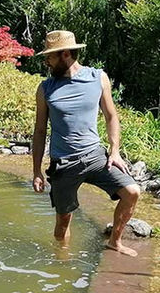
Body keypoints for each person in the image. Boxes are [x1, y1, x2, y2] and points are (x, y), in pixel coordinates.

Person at [31, 30, 141, 256]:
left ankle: (115, 242)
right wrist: (36, 172)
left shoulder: (98, 78)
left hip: (95, 157)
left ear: (65, 54)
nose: (46, 62)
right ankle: (61, 262)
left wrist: (115, 151)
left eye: (49, 57)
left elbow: (112, 116)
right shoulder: (45, 89)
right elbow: (40, 131)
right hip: (64, 165)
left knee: (132, 192)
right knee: (63, 221)